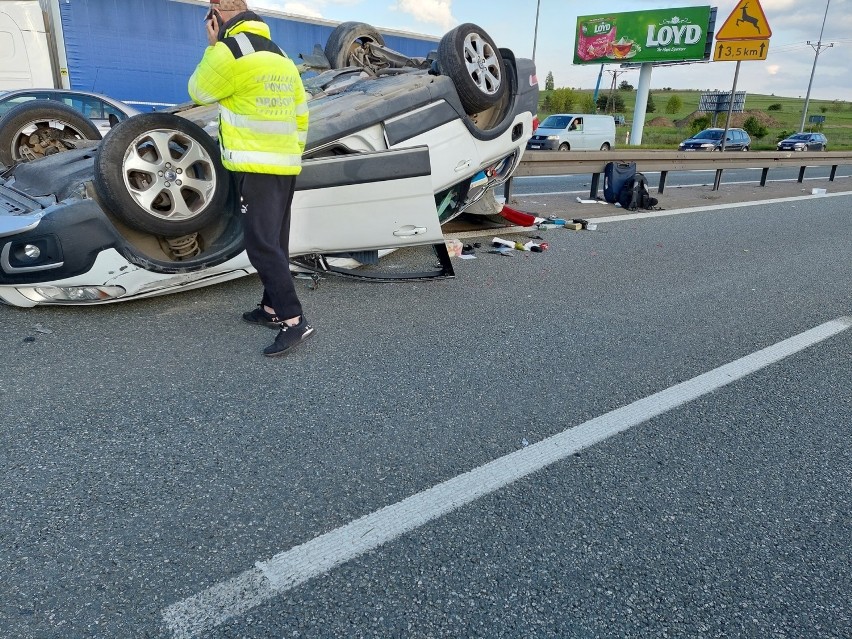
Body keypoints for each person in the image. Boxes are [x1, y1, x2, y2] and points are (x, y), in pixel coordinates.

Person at [188, 0, 313, 357]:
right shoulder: (281, 55)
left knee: (261, 245)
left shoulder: (228, 51)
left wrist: (211, 46)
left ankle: (294, 320)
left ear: (216, 18)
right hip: (285, 164)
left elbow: (198, 92)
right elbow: (301, 113)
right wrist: (291, 153)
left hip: (255, 166)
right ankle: (271, 308)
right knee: (275, 241)